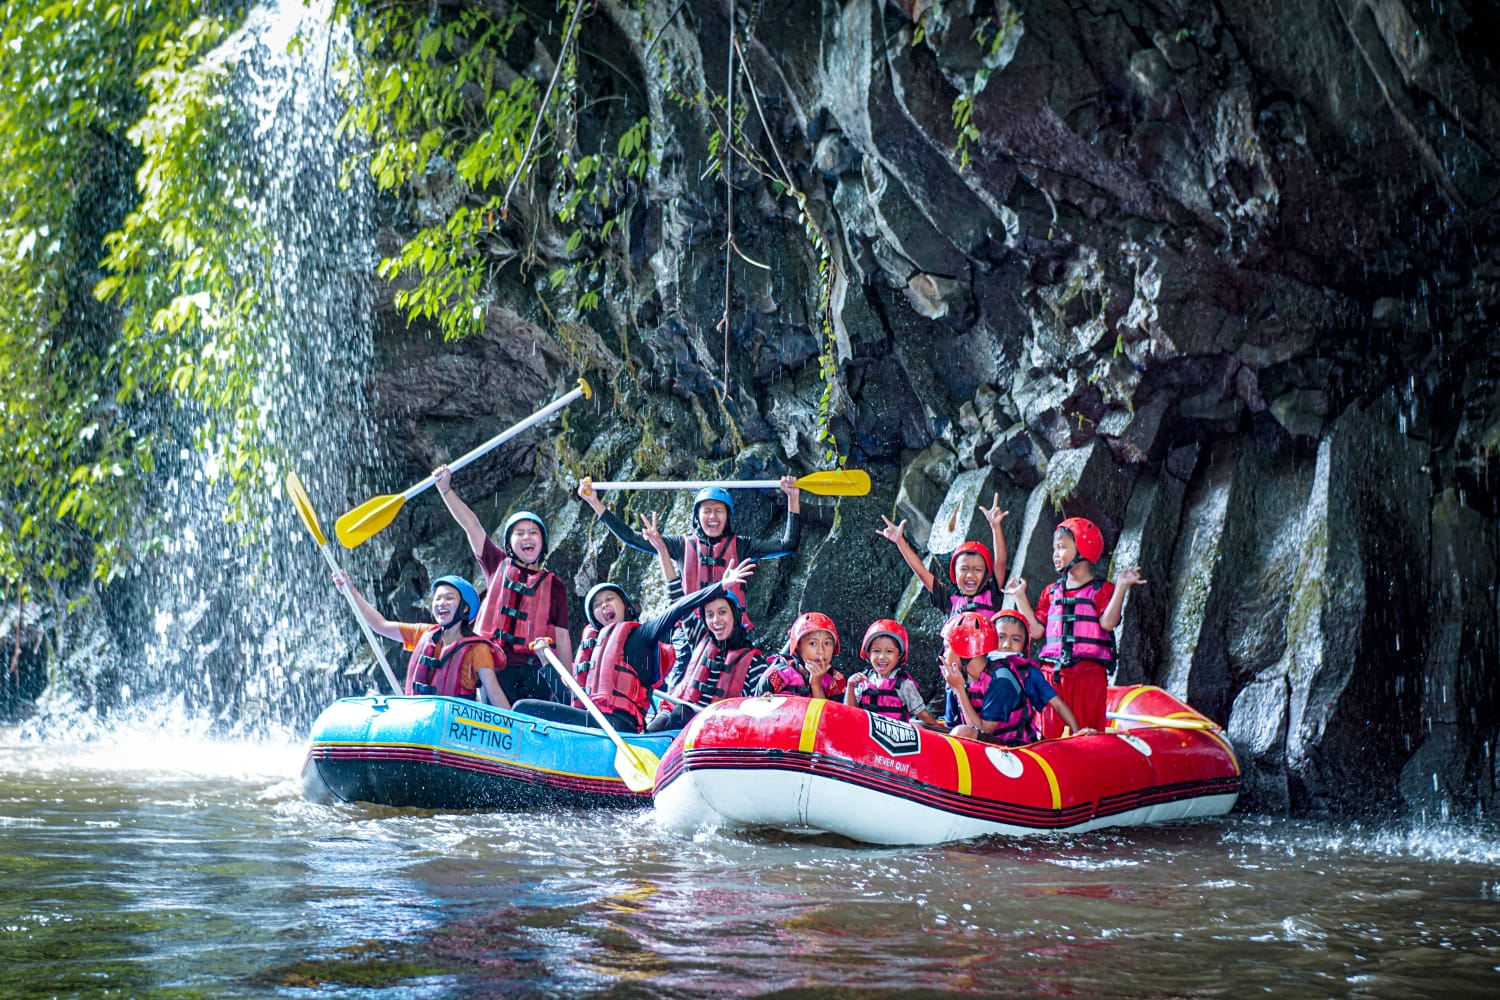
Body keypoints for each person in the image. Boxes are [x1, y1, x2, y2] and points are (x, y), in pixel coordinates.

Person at [521, 559, 757, 734]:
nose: (604, 607)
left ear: (624, 605)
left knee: (524, 709)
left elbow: (676, 609)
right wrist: (545, 660)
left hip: (620, 727)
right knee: (525, 708)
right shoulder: (590, 655)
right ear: (593, 619)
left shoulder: (642, 636)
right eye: (597, 605)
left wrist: (720, 586)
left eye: (609, 600)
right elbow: (568, 699)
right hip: (591, 722)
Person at [434, 465, 571, 706]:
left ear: (543, 542)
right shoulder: (496, 563)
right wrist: (446, 490)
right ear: (509, 543)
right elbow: (472, 526)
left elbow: (562, 638)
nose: (527, 537)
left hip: (536, 670)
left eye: (533, 533)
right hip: (494, 669)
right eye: (519, 533)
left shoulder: (555, 585)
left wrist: (567, 683)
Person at [1004, 516, 1146, 737]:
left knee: (1088, 732)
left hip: (1089, 675)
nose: (1055, 555)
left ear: (1083, 549)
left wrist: (1121, 587)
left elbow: (1108, 623)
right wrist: (1020, 597)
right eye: (1054, 549)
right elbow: (1037, 631)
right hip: (1053, 674)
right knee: (1050, 733)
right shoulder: (1051, 592)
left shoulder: (1102, 590)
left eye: (1061, 548)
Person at [576, 475, 803, 609]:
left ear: (728, 517)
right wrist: (595, 503)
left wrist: (793, 498)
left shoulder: (742, 546)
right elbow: (629, 537)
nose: (713, 517)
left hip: (730, 629)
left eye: (718, 511)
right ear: (697, 517)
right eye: (707, 511)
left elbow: (788, 545)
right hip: (690, 629)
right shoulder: (680, 545)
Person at [331, 570, 508, 707]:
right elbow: (380, 625)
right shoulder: (424, 634)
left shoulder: (478, 649)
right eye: (437, 599)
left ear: (465, 608)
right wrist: (351, 592)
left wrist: (517, 729)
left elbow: (494, 692)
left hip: (452, 725)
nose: (441, 603)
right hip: (418, 716)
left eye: (449, 598)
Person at [940, 611, 1083, 744]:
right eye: (1001, 637)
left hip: (1013, 747)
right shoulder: (960, 677)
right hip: (986, 741)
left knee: (962, 732)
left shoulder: (1002, 679)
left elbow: (981, 732)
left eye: (947, 647)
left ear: (966, 650)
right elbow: (951, 724)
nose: (943, 654)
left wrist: (1077, 732)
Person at [647, 588, 769, 731]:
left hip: (716, 735)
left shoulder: (755, 664)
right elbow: (679, 603)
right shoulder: (700, 638)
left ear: (736, 616)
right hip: (678, 721)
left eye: (722, 612)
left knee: (681, 714)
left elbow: (760, 715)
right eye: (710, 615)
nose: (716, 620)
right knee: (674, 715)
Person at [875, 493, 1009, 619]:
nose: (969, 575)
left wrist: (995, 527)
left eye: (977, 570)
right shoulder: (949, 600)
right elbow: (921, 572)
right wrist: (900, 541)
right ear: (955, 575)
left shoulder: (993, 595)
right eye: (964, 569)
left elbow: (1001, 562)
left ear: (986, 577)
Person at [844, 619, 940, 725]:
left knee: (917, 726)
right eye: (876, 651)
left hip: (896, 739)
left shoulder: (904, 685)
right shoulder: (863, 681)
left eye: (889, 651)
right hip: (867, 736)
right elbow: (849, 714)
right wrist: (851, 685)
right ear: (868, 654)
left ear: (899, 656)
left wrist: (942, 734)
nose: (882, 657)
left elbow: (922, 714)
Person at [753, 611, 847, 699]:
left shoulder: (836, 680)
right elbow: (755, 713)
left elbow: (832, 716)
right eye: (813, 643)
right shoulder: (775, 676)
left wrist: (816, 685)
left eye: (827, 643)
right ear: (797, 647)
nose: (821, 651)